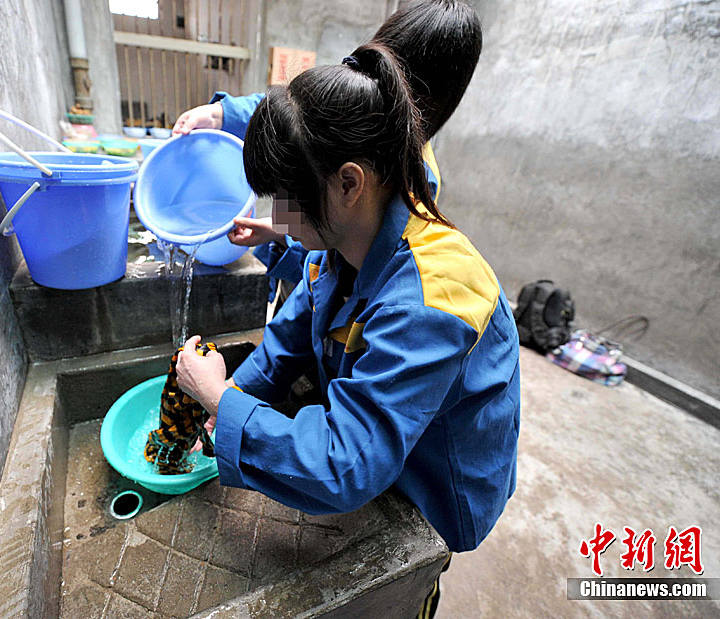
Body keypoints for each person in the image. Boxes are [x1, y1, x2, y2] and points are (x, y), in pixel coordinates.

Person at [175, 41, 520, 618]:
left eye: (286, 199)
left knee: (413, 580)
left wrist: (220, 398)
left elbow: (346, 463)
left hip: (435, 482)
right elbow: (293, 331)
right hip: (390, 442)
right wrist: (229, 401)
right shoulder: (343, 241)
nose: (278, 216)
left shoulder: (435, 297)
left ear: (348, 183)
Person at [172, 0, 483, 307]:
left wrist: (283, 232)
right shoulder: (357, 104)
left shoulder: (413, 189)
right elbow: (295, 115)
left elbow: (342, 264)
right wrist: (220, 114)